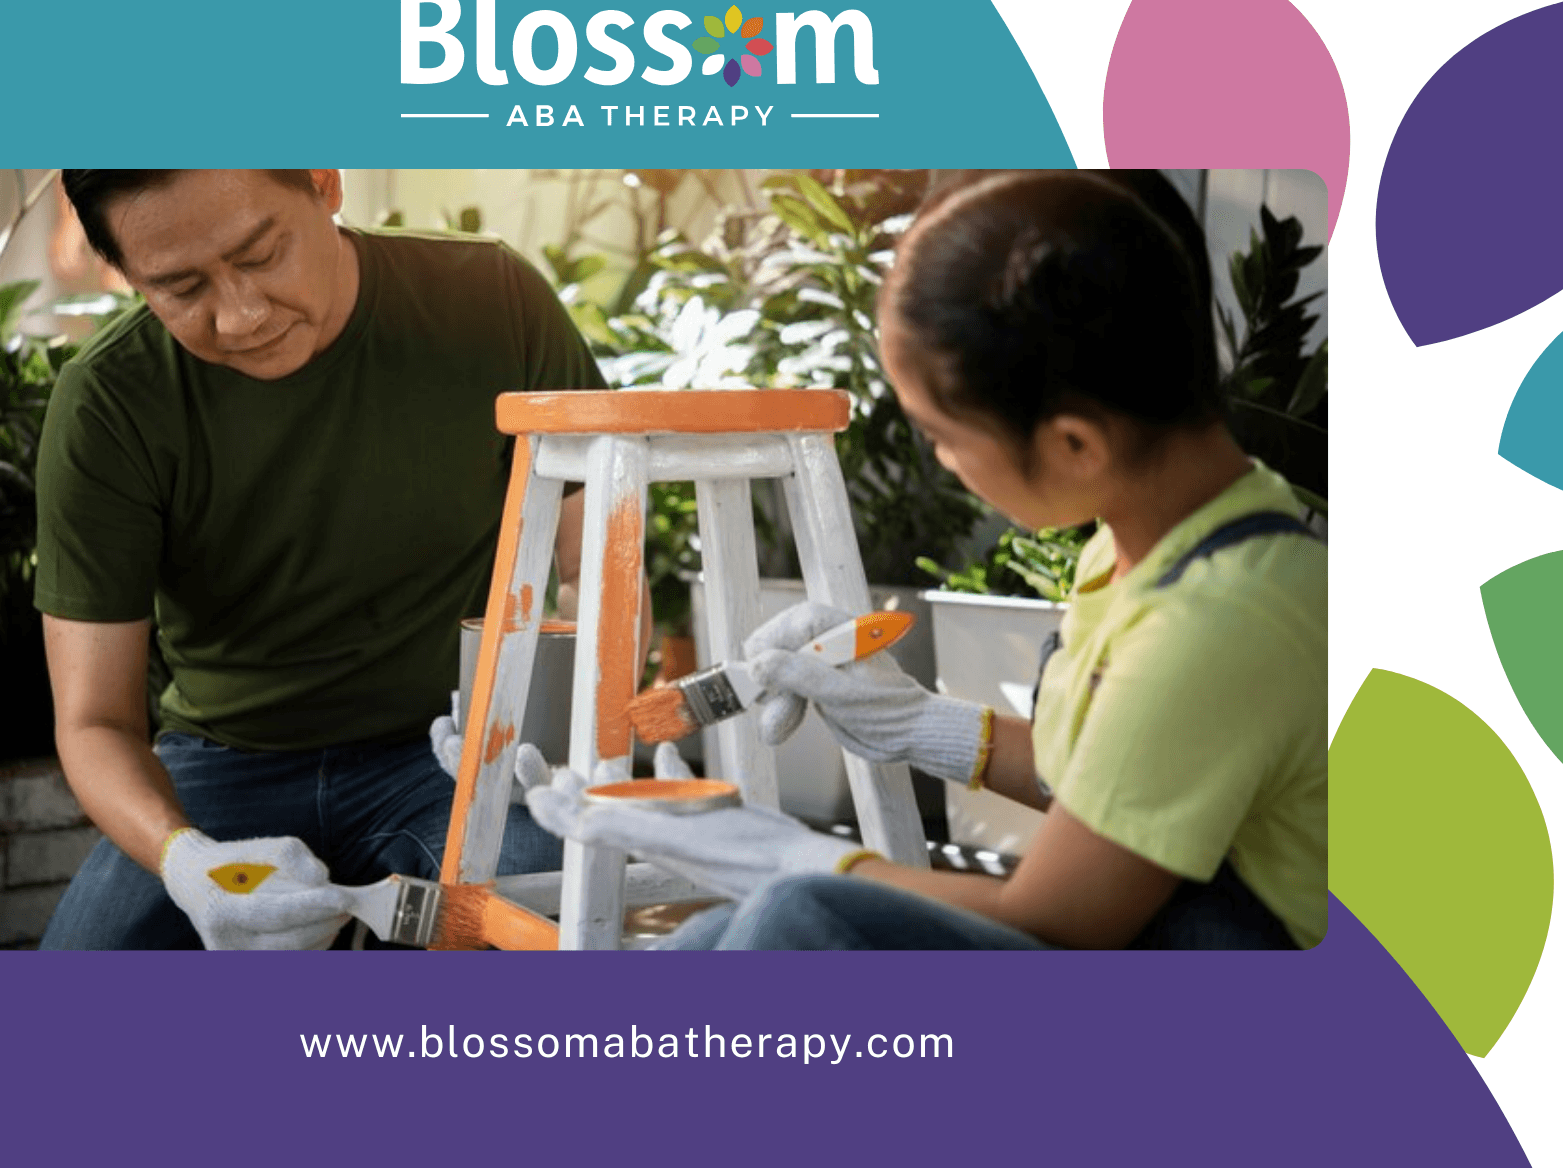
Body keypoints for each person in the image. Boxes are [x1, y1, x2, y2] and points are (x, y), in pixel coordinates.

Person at [528, 169, 1327, 950]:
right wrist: (922, 724)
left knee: (798, 921)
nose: (942, 461)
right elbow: (1116, 786)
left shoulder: (1218, 624)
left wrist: (788, 858)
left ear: (1074, 443)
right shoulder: (1140, 546)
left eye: (944, 435)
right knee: (707, 941)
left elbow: (1058, 921)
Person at [33, 169, 605, 949]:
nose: (239, 317)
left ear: (325, 183)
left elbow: (595, 565)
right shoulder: (108, 402)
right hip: (220, 766)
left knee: (540, 928)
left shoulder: (492, 300)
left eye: (263, 255)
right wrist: (185, 857)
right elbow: (94, 721)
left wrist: (548, 742)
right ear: (128, 277)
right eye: (179, 288)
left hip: (450, 749)